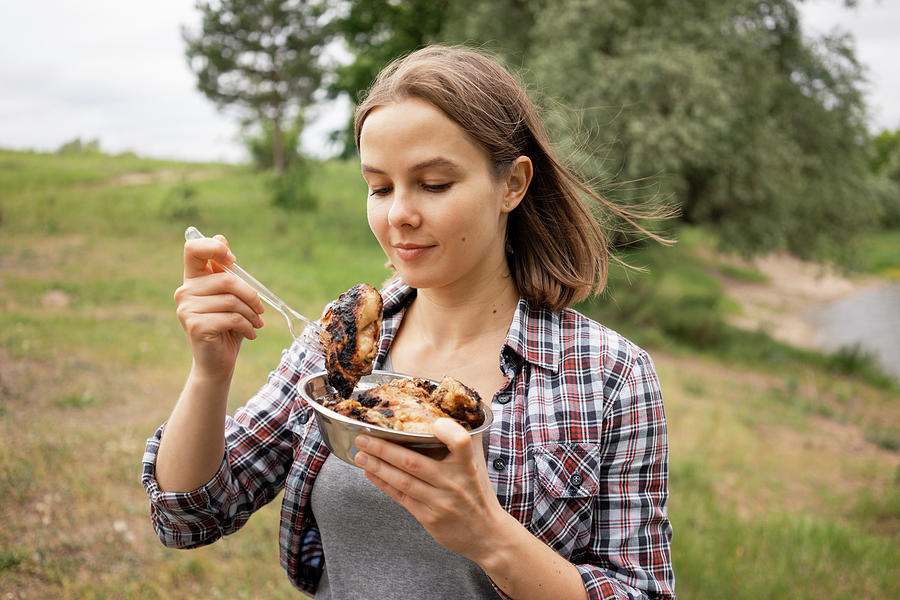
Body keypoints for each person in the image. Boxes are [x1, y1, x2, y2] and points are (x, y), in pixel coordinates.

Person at [142, 45, 675, 600]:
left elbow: (642, 591)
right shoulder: (340, 349)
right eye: (380, 187)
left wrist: (489, 537)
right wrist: (210, 372)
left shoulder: (610, 376)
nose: (399, 213)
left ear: (512, 185)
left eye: (435, 183)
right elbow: (189, 515)